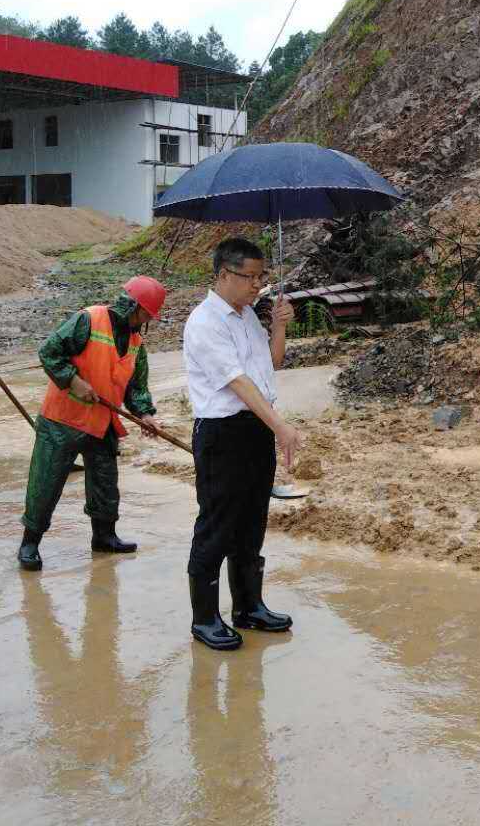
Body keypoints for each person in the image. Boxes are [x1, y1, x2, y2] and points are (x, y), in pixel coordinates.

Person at [183, 238, 299, 651]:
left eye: (261, 277)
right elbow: (238, 383)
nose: (256, 285)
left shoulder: (248, 316)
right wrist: (281, 425)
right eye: (249, 277)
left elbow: (272, 364)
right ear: (224, 274)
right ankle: (205, 618)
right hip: (222, 434)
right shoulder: (204, 322)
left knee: (252, 520)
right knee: (218, 523)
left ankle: (248, 606)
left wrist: (280, 326)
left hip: (254, 431)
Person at [16, 277, 165, 571]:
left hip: (102, 423)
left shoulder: (136, 343)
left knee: (105, 484)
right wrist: (73, 380)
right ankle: (29, 543)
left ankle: (104, 537)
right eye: (147, 314)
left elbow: (136, 387)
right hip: (63, 420)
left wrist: (145, 413)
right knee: (46, 483)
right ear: (132, 306)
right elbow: (49, 351)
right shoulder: (88, 320)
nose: (148, 320)